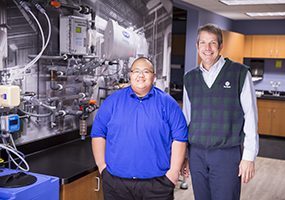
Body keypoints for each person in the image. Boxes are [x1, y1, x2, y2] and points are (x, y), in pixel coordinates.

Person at [91, 57, 188, 200]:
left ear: (154, 77)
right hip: (116, 184)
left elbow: (180, 138)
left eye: (146, 71)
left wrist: (173, 173)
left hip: (158, 185)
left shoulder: (168, 103)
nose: (140, 75)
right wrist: (101, 166)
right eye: (136, 71)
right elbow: (98, 134)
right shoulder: (112, 102)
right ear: (130, 75)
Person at [182, 24, 259, 200]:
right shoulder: (190, 78)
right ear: (197, 46)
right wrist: (184, 154)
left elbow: (251, 118)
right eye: (203, 43)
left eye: (212, 43)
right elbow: (187, 119)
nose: (207, 48)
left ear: (220, 46)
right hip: (197, 154)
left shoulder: (239, 73)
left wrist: (248, 156)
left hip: (226, 153)